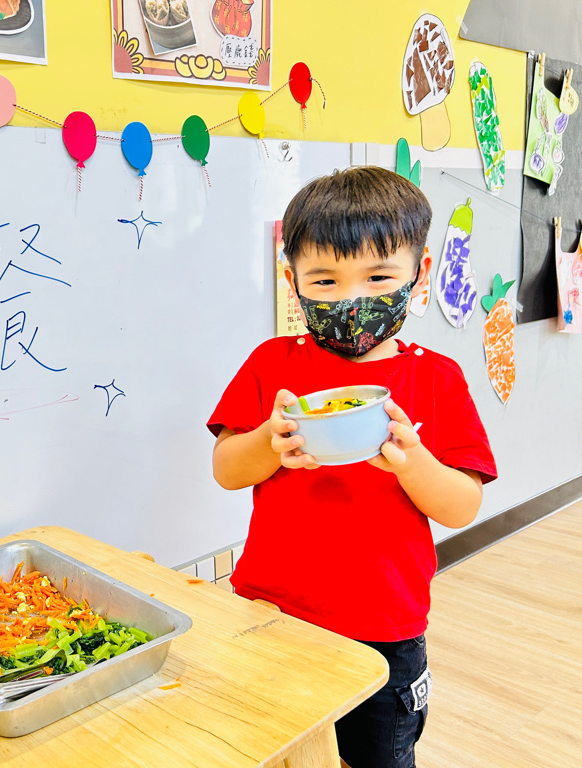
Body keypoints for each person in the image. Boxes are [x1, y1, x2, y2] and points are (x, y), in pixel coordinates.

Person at [207, 167, 497, 768]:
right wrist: (268, 441)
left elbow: (462, 505)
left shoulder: (436, 378)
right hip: (270, 610)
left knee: (377, 756)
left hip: (385, 623)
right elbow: (227, 470)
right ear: (292, 282)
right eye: (325, 280)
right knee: (275, 749)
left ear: (418, 275)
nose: (351, 299)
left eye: (378, 277)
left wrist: (412, 462)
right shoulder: (272, 363)